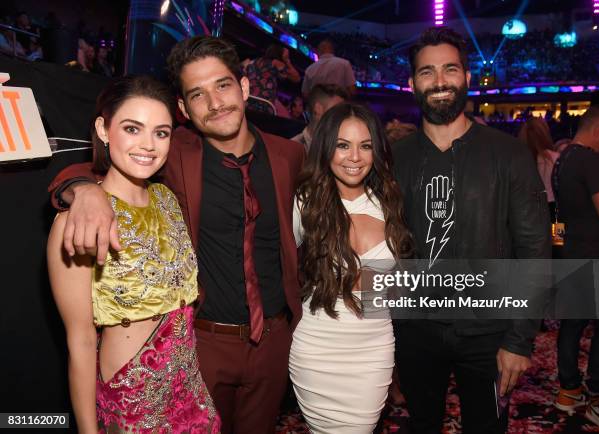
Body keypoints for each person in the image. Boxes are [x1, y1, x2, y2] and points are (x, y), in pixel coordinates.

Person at [48, 36, 304, 434]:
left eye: (223, 85)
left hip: (272, 340)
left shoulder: (288, 155)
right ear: (184, 109)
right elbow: (100, 166)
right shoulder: (178, 154)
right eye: (198, 94)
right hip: (204, 346)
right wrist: (80, 190)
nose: (216, 103)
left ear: (246, 87)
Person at [392, 27, 550, 434]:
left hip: (490, 332)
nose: (439, 81)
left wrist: (519, 340)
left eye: (450, 69)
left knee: (486, 427)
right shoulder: (394, 159)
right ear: (411, 83)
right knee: (421, 424)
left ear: (466, 76)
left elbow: (534, 250)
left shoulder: (509, 154)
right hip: (414, 330)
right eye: (427, 72)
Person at [47, 75, 220, 433]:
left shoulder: (167, 200)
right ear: (104, 129)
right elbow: (79, 342)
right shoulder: (78, 220)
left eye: (161, 132)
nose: (148, 145)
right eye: (132, 128)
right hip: (133, 401)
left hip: (190, 391)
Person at [290, 102, 414, 433]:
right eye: (343, 145)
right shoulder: (304, 202)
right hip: (318, 344)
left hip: (372, 346)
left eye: (365, 146)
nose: (354, 157)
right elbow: (279, 267)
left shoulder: (388, 201)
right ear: (326, 148)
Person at [553, 106, 599, 434]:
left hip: (572, 253)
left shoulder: (563, 160)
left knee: (572, 325)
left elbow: (557, 214)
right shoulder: (594, 160)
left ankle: (569, 389)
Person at [518, 117, 559, 219]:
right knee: (557, 234)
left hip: (527, 209)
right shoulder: (556, 158)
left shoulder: (518, 160)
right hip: (554, 209)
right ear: (545, 134)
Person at [291, 83, 348, 152]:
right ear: (318, 109)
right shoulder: (292, 149)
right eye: (336, 111)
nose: (342, 118)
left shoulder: (341, 149)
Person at [245, 43, 300, 114]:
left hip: (249, 102)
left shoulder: (253, 62)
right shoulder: (275, 63)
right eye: (286, 56)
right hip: (264, 106)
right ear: (279, 54)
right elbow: (296, 78)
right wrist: (287, 61)